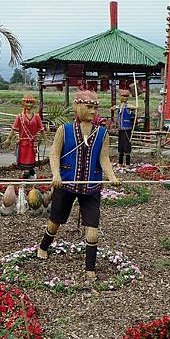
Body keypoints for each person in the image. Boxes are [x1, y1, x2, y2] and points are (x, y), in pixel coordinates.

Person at [37, 90, 121, 280]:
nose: (93, 112)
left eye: (95, 108)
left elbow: (104, 158)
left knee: (92, 231)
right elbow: (54, 154)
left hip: (91, 186)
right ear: (78, 107)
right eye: (89, 107)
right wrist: (56, 174)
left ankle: (90, 268)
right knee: (55, 222)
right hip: (66, 183)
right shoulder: (64, 130)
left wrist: (111, 176)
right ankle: (43, 246)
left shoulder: (102, 133)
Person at [4, 94, 46, 179]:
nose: (29, 104)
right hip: (23, 143)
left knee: (31, 160)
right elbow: (14, 128)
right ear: (23, 103)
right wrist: (9, 139)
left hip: (32, 144)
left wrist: (46, 139)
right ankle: (26, 175)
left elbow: (41, 129)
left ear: (33, 104)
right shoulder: (19, 117)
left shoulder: (37, 117)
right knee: (23, 160)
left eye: (31, 102)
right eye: (27, 102)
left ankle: (30, 174)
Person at [111, 89, 137, 166]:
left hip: (127, 129)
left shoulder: (127, 106)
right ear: (120, 97)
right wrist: (115, 107)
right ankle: (120, 162)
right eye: (123, 96)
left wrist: (134, 108)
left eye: (126, 97)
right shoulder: (119, 106)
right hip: (120, 129)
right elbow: (112, 108)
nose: (125, 98)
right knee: (121, 145)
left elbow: (135, 107)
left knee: (126, 145)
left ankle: (128, 163)